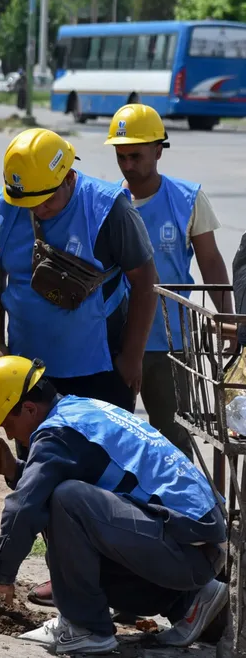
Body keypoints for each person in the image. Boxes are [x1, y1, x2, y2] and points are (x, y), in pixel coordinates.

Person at [0, 128, 159, 607]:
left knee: (97, 483)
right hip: (31, 375)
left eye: (46, 201)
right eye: (30, 203)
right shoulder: (5, 206)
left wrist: (131, 357)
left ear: (68, 176)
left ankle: (114, 580)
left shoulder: (108, 210)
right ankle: (63, 572)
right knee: (39, 478)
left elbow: (144, 282)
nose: (38, 211)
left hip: (97, 370)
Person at [0, 356, 227, 654]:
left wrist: (1, 576)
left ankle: (86, 628)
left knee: (66, 499)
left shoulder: (57, 432)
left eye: (8, 424)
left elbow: (24, 506)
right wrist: (14, 469)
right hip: (194, 544)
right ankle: (191, 602)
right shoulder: (78, 411)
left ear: (29, 408)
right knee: (67, 510)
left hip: (188, 549)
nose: (9, 434)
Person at [106, 104, 231, 461]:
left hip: (170, 345)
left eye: (136, 156)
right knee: (112, 441)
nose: (128, 164)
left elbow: (210, 261)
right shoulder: (107, 202)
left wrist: (226, 318)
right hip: (114, 342)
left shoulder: (187, 199)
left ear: (158, 150)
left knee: (173, 441)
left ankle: (182, 499)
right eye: (121, 156)